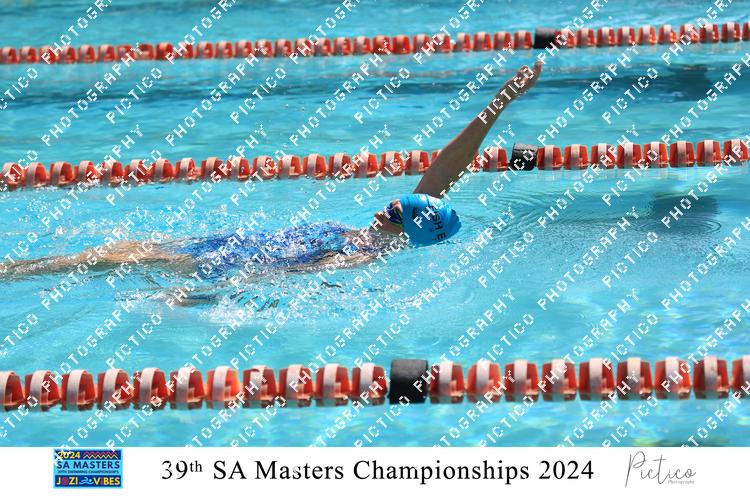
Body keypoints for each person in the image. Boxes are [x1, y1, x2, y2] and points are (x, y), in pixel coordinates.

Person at [1, 61, 543, 282]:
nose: (391, 204)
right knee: (118, 250)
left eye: (401, 211)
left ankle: (15, 273)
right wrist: (501, 101)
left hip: (227, 262)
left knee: (110, 258)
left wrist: (206, 293)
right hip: (231, 244)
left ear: (411, 230)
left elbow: (284, 276)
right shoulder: (383, 232)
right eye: (400, 201)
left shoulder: (362, 253)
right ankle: (17, 269)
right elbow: (446, 170)